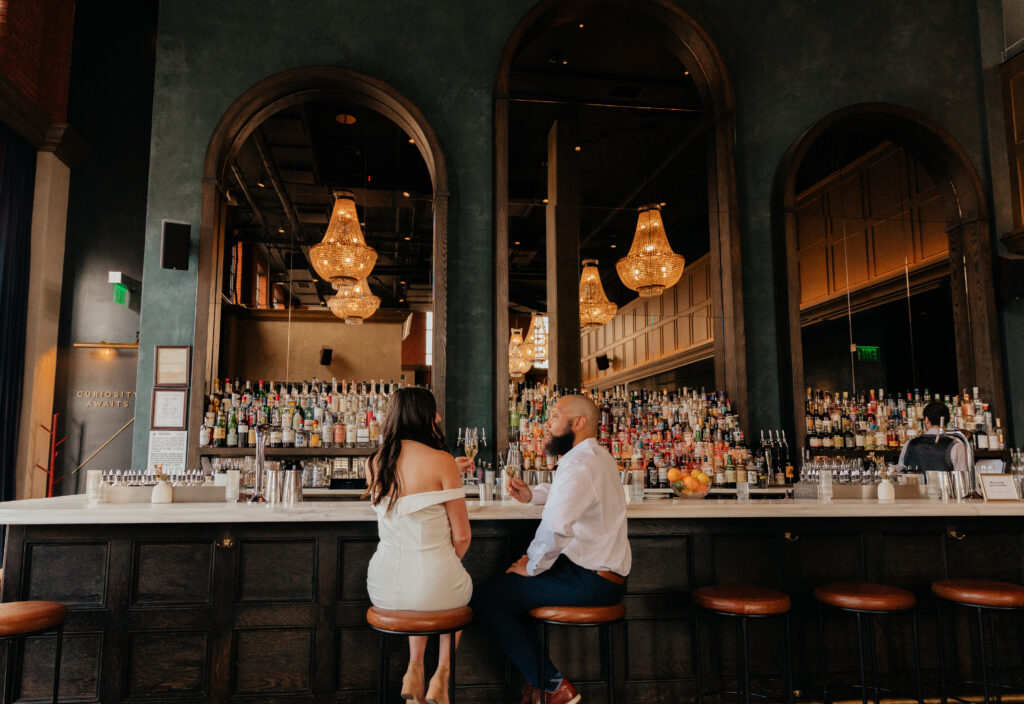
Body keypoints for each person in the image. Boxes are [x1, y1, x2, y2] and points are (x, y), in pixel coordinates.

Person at [472, 394, 630, 704]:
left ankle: (553, 686)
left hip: (591, 581)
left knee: (488, 600)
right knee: (510, 593)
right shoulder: (596, 456)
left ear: (578, 423)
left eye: (555, 416)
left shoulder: (580, 464)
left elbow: (557, 526)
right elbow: (568, 494)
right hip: (599, 575)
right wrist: (533, 494)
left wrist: (531, 565)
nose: (548, 423)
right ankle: (542, 685)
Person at [365, 387, 473, 704]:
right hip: (435, 586)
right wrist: (446, 562)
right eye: (434, 411)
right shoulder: (442, 461)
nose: (438, 417)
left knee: (423, 584)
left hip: (383, 585)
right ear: (423, 415)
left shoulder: (374, 462)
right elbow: (463, 536)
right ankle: (442, 673)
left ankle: (414, 668)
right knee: (440, 587)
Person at [898, 400, 968, 473]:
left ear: (927, 420)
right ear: (948, 420)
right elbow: (962, 479)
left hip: (914, 484)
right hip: (944, 484)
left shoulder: (909, 444)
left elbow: (901, 474)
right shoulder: (956, 446)